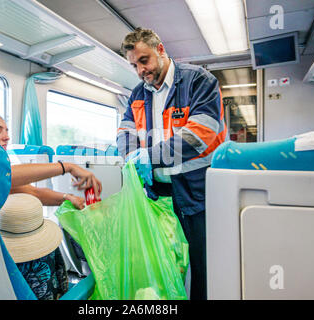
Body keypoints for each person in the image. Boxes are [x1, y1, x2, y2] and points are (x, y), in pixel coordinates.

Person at [117, 28, 228, 300]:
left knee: (202, 264)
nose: (141, 70)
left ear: (161, 50)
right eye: (134, 65)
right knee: (166, 262)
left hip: (197, 192)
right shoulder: (138, 93)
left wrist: (149, 157)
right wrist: (132, 156)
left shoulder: (198, 81)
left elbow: (198, 136)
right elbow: (125, 132)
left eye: (144, 60)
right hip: (157, 195)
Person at [0, 112, 102, 210]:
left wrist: (67, 197)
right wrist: (68, 167)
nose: (6, 137)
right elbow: (6, 175)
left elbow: (33, 192)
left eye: (6, 131)